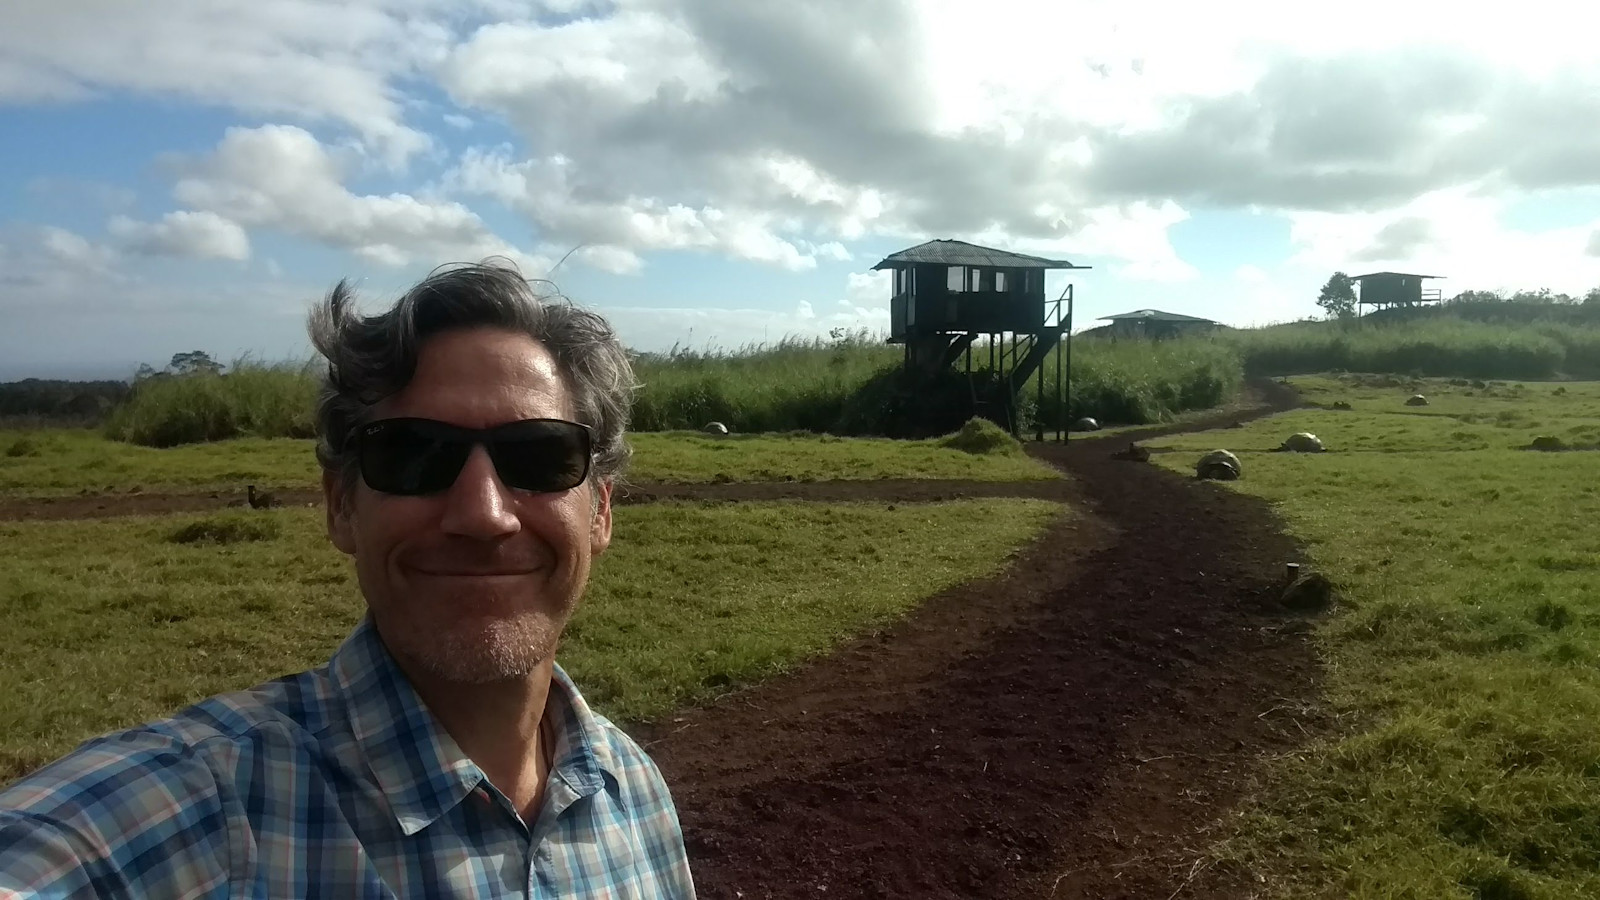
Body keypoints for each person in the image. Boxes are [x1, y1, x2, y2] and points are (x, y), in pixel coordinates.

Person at [0, 261, 697, 898]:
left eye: (541, 456)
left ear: (601, 510)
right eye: (413, 456)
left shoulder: (633, 792)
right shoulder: (200, 811)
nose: (483, 516)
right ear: (341, 505)